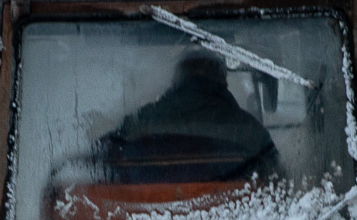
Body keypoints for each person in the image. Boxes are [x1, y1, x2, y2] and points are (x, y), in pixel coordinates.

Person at [100, 50, 283, 184]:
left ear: (175, 81)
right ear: (223, 82)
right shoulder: (250, 131)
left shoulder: (138, 122)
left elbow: (99, 163)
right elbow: (277, 184)